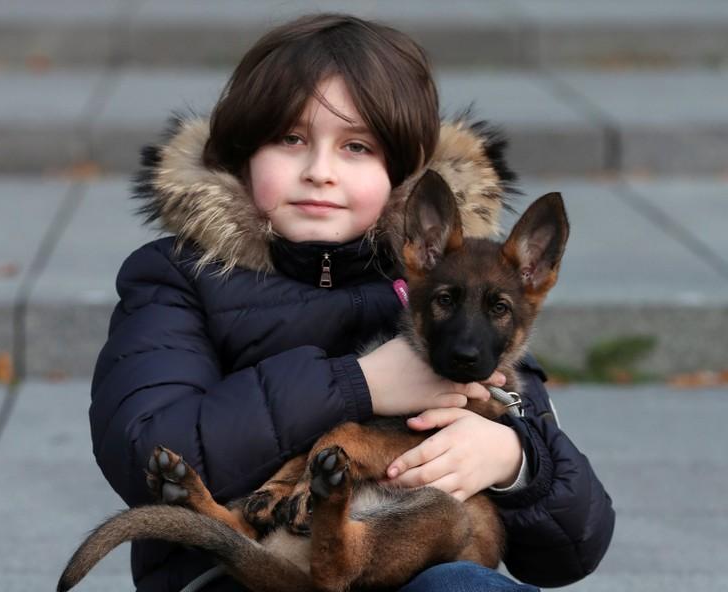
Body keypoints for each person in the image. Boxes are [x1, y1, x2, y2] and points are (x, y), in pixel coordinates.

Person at [90, 13, 614, 592]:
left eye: (357, 146)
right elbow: (145, 449)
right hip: (236, 573)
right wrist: (358, 383)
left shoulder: (459, 294)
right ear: (242, 153)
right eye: (290, 139)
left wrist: (514, 461)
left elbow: (577, 543)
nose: (320, 172)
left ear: (401, 173)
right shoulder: (179, 279)